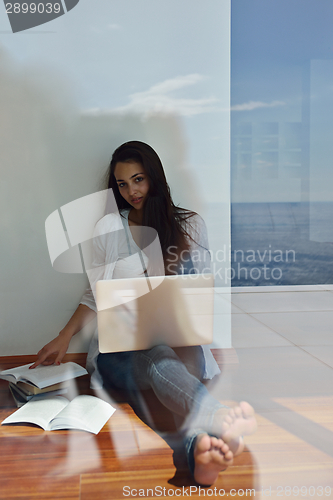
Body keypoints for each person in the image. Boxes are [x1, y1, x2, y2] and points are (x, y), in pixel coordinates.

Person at [31, 141, 256, 486]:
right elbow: (94, 294)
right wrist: (65, 336)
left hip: (181, 346)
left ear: (154, 177)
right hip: (121, 353)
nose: (131, 191)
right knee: (159, 360)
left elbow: (201, 292)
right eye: (122, 184)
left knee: (164, 366)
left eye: (138, 180)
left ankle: (198, 449)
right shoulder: (108, 228)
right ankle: (218, 417)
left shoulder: (190, 226)